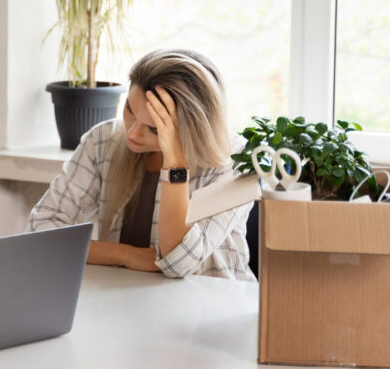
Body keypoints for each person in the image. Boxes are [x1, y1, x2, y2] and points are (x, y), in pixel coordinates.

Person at [28, 49, 254, 281]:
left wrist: (174, 162)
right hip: (126, 300)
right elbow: (40, 232)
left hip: (213, 305)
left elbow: (178, 263)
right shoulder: (103, 140)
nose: (133, 132)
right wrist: (126, 255)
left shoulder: (236, 160)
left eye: (154, 128)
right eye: (130, 110)